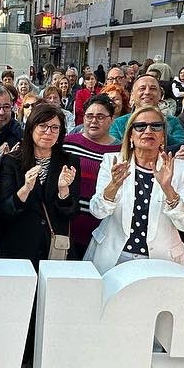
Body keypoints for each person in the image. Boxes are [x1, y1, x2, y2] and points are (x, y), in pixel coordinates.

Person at [0, 103, 79, 368]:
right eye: (43, 126)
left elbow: (70, 211)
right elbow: (2, 211)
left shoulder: (68, 161)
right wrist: (25, 189)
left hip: (52, 248)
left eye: (55, 127)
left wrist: (64, 191)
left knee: (50, 310)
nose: (48, 132)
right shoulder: (13, 162)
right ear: (31, 128)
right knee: (20, 311)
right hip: (19, 247)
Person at [86, 103, 184, 274]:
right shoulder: (112, 162)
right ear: (130, 135)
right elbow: (97, 212)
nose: (148, 130)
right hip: (113, 257)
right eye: (140, 126)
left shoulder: (180, 169)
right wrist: (113, 186)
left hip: (161, 262)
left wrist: (168, 189)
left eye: (156, 126)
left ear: (163, 136)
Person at [61, 95, 119, 260]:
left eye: (100, 117)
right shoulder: (67, 144)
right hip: (67, 229)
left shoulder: (120, 151)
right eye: (89, 116)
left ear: (111, 119)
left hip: (102, 232)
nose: (94, 121)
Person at [109, 72, 184, 148]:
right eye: (142, 88)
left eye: (153, 88)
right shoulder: (118, 124)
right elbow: (113, 149)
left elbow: (182, 146)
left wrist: (159, 131)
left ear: (160, 94)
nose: (147, 92)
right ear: (132, 94)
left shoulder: (173, 122)